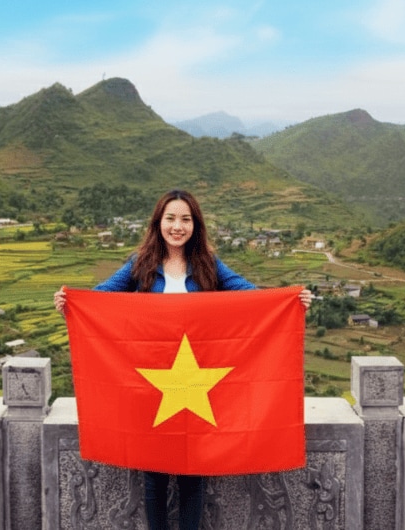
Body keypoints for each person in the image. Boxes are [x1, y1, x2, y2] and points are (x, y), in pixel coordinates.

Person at [55, 189, 312, 530]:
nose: (178, 226)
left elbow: (250, 295)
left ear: (196, 225)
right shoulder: (140, 264)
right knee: (153, 476)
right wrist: (70, 303)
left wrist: (290, 301)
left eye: (185, 219)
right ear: (158, 223)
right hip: (151, 388)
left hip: (198, 387)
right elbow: (101, 298)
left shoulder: (208, 264)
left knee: (195, 474)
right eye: (171, 218)